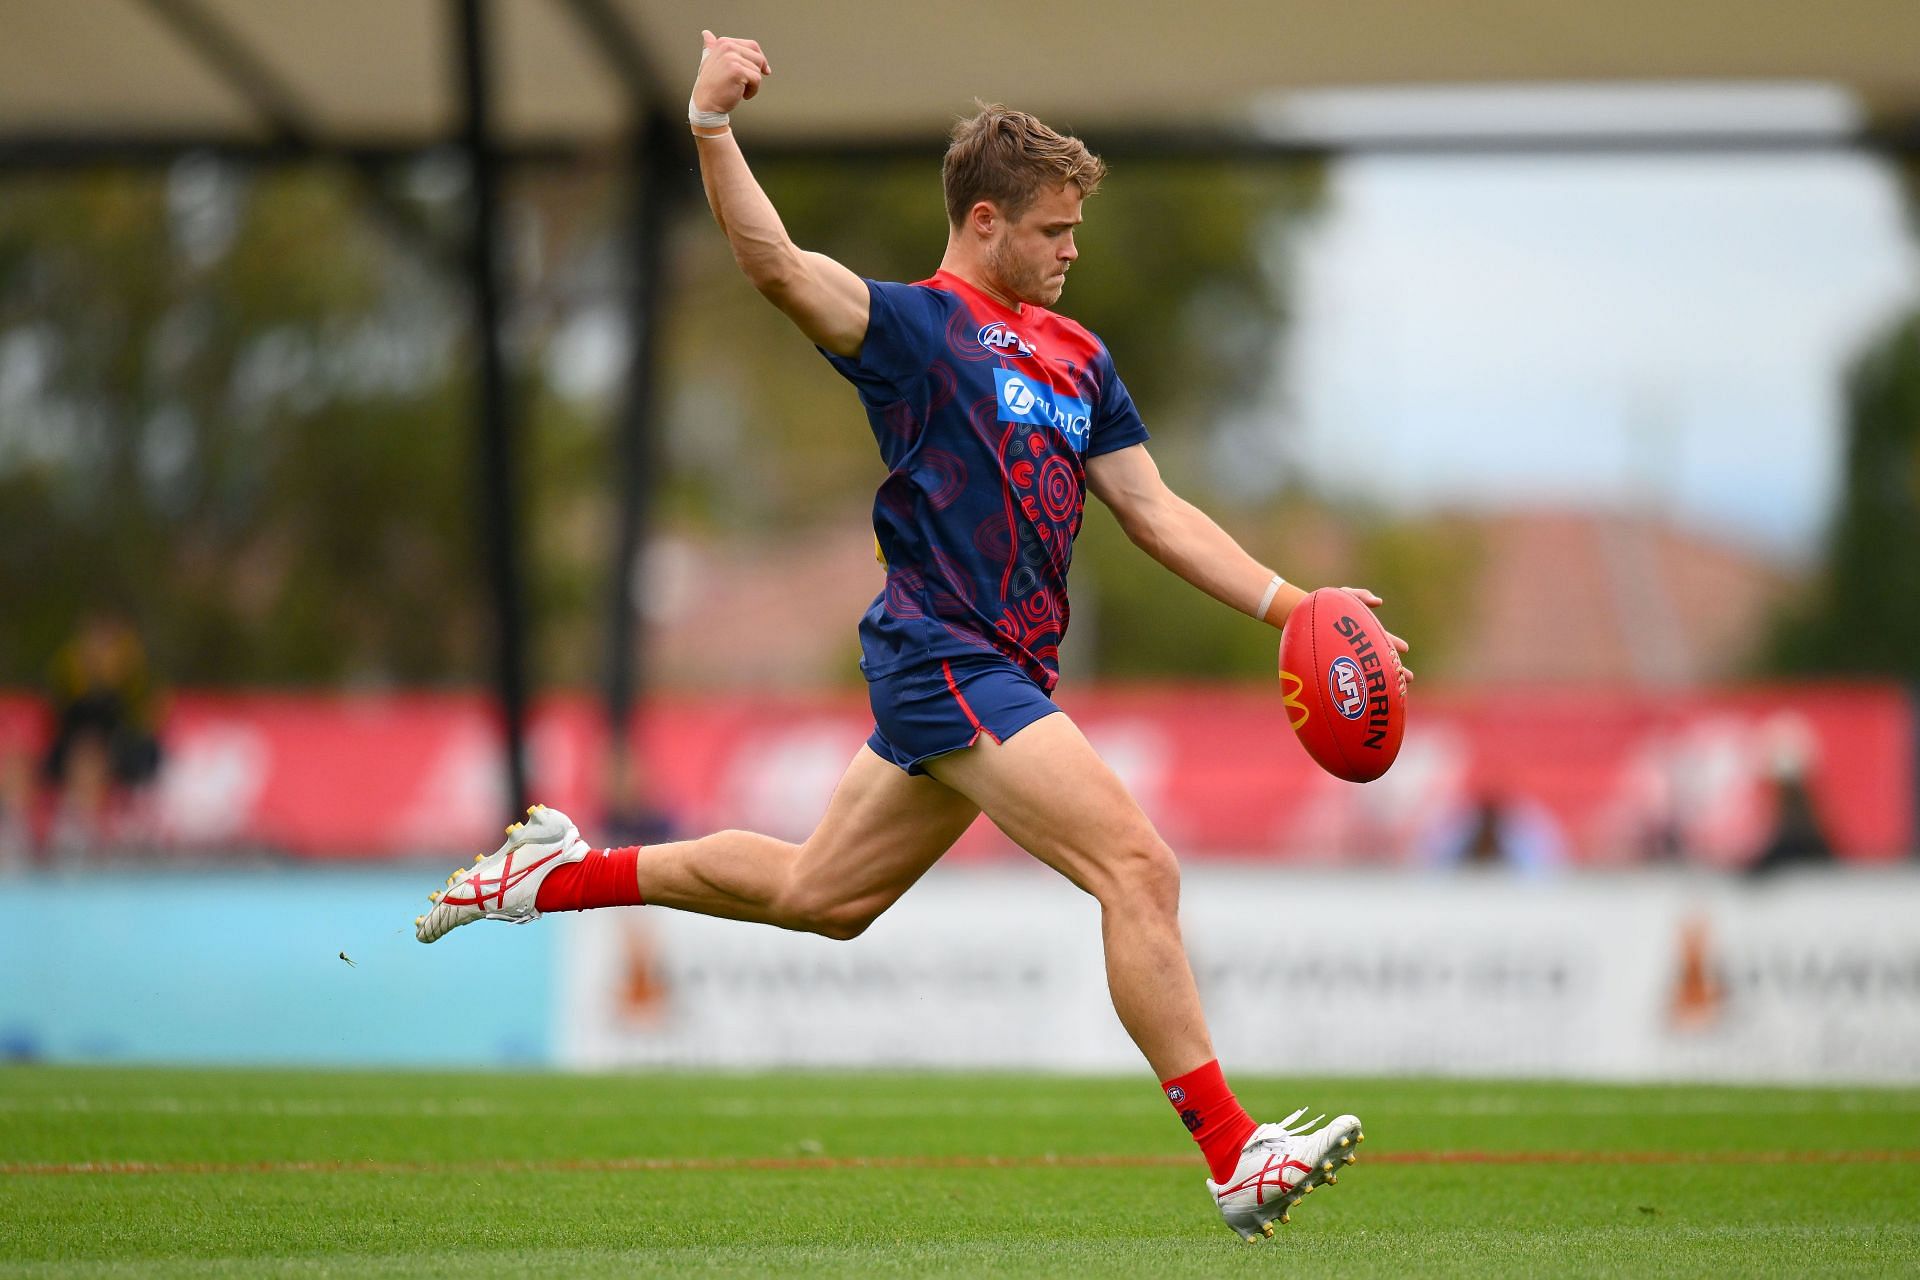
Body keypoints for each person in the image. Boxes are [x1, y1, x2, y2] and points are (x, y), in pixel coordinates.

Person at [416, 31, 1410, 1242]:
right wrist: (711, 128)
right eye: (1054, 230)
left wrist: (1294, 605)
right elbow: (778, 266)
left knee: (820, 894)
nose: (1072, 249)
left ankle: (554, 871)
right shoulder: (913, 330)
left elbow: (1153, 512)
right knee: (1137, 866)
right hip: (947, 651)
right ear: (984, 220)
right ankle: (1233, 1150)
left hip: (998, 668)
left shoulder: (1084, 358)